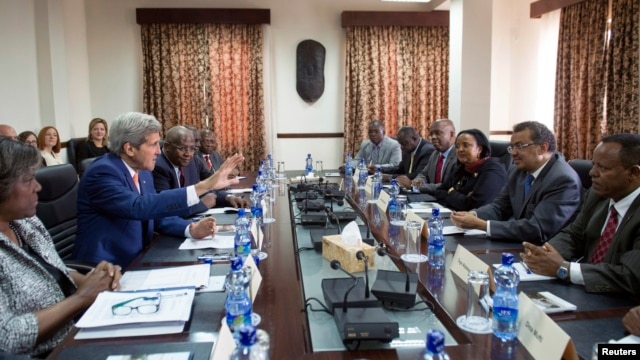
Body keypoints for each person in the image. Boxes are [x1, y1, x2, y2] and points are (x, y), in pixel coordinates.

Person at [0, 138, 121, 357]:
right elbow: (7, 339)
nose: (38, 187)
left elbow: (55, 269)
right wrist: (81, 298)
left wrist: (94, 280)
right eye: (28, 180)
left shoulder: (26, 222)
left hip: (80, 328)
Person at [74, 112, 244, 268]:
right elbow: (138, 207)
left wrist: (190, 229)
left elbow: (156, 212)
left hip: (143, 257)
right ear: (129, 149)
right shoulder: (102, 172)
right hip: (107, 268)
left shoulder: (143, 172)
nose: (158, 151)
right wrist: (206, 185)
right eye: (154, 144)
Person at [522, 134, 640, 296]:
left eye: (602, 168)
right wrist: (544, 253)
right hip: (585, 290)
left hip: (624, 304)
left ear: (633, 173)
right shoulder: (597, 195)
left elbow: (630, 276)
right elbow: (573, 235)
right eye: (593, 165)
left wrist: (564, 269)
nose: (592, 173)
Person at [451, 121, 582, 244]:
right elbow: (500, 207)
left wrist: (482, 225)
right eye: (512, 147)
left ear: (543, 148)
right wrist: (474, 214)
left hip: (544, 252)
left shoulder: (563, 179)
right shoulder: (517, 170)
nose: (513, 153)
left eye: (519, 146)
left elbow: (538, 229)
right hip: (517, 242)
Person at [152, 126, 248, 215]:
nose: (188, 154)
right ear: (167, 147)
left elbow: (202, 189)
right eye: (182, 148)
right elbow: (165, 208)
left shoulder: (192, 161)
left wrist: (228, 198)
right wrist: (200, 205)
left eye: (192, 149)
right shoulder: (158, 166)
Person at [434, 128, 507, 211]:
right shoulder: (462, 167)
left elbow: (474, 205)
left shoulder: (494, 170)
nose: (460, 150)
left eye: (465, 145)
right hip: (456, 215)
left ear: (479, 149)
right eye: (457, 146)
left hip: (480, 221)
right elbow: (439, 191)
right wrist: (461, 197)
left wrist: (451, 191)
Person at [411, 119, 458, 195]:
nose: (433, 137)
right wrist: (417, 181)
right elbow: (424, 173)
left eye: (437, 133)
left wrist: (420, 187)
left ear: (451, 134)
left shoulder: (458, 155)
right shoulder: (435, 154)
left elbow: (447, 185)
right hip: (432, 198)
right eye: (431, 134)